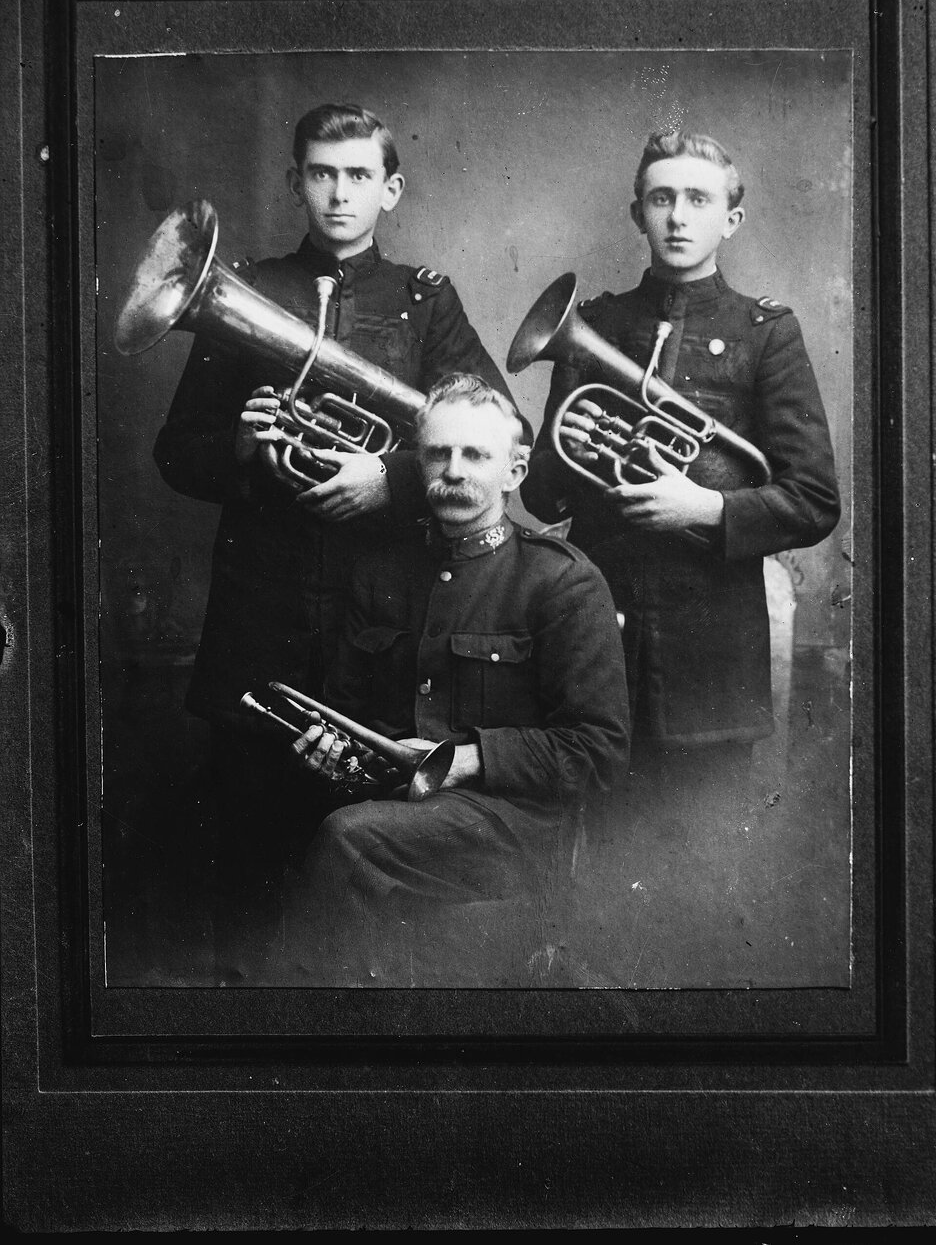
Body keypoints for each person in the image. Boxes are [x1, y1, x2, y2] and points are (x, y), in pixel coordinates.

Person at [151, 103, 516, 981]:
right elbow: (177, 455)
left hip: (378, 611)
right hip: (261, 609)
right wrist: (243, 451)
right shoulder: (245, 284)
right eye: (321, 173)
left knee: (355, 856)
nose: (338, 193)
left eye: (358, 175)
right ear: (295, 182)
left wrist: (385, 480)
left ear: (390, 189)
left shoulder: (426, 300)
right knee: (246, 850)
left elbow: (499, 431)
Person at [519, 131, 841, 981]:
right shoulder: (596, 326)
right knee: (591, 869)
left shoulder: (767, 332)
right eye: (662, 198)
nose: (678, 216)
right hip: (596, 634)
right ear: (637, 212)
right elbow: (546, 496)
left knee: (701, 882)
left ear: (730, 217)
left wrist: (708, 507)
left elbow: (812, 499)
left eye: (699, 199)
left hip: (710, 650)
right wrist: (573, 444)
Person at [262, 374, 631, 987]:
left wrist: (462, 761)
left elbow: (600, 751)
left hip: (512, 824)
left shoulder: (562, 581)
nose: (453, 471)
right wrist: (331, 755)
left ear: (514, 472)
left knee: (351, 840)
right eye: (438, 453)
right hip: (401, 805)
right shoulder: (382, 570)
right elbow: (351, 712)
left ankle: (310, 1040)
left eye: (476, 455)